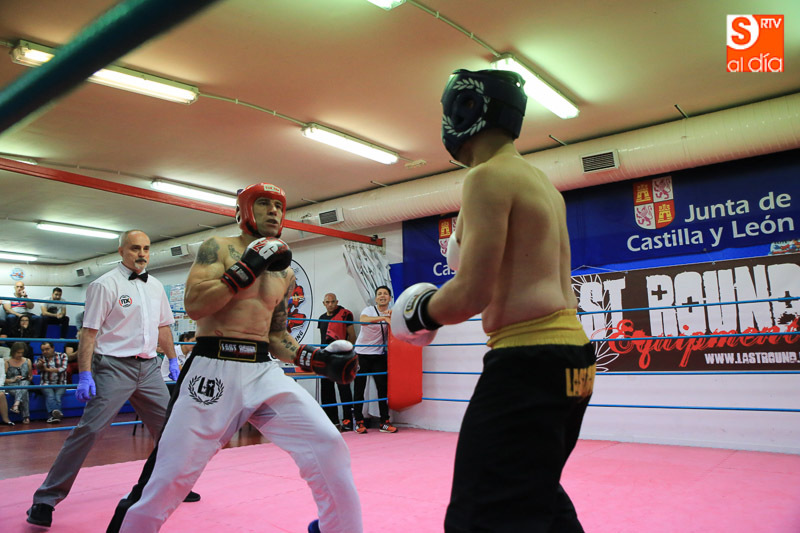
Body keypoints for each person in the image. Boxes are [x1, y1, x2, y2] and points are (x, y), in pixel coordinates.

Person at [392, 69, 596, 532]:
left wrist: (418, 314)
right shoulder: (542, 184)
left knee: (478, 514)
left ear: (464, 111)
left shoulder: (486, 177)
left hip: (528, 360)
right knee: (535, 494)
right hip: (574, 360)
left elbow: (471, 293)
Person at [107, 183, 362, 533]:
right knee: (170, 477)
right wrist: (245, 269)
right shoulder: (217, 247)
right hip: (213, 367)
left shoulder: (285, 272)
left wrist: (315, 359)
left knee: (328, 443)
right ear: (243, 211)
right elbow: (195, 306)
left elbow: (276, 336)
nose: (274, 211)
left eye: (279, 205)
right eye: (264, 203)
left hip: (262, 369)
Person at [26, 229, 196, 528]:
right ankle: (45, 499)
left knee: (170, 429)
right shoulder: (104, 285)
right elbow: (89, 333)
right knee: (89, 430)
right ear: (121, 251)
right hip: (114, 367)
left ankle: (173, 485)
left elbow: (164, 327)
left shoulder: (155, 285)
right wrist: (85, 373)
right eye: (135, 248)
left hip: (148, 368)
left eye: (146, 248)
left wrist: (172, 359)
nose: (141, 254)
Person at [352, 285, 397, 434]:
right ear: (376, 298)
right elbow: (363, 320)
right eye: (379, 294)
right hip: (362, 354)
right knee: (359, 388)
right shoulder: (369, 310)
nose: (382, 296)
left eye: (385, 294)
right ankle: (359, 422)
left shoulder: (392, 313)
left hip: (378, 355)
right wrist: (384, 317)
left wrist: (393, 316)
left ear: (389, 298)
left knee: (382, 389)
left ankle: (384, 422)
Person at [317, 293, 357, 431]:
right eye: (327, 302)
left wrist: (346, 352)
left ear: (337, 302)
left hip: (340, 357)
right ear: (324, 303)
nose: (330, 304)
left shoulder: (345, 315)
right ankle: (331, 420)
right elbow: (323, 339)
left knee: (344, 388)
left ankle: (347, 420)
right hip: (325, 357)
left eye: (333, 301)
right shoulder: (321, 318)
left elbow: (352, 336)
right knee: (326, 390)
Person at [35, 341, 68, 423]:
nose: (45, 352)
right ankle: (56, 416)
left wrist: (46, 369)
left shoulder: (63, 355)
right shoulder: (40, 358)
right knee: (50, 395)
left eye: (47, 349)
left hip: (60, 383)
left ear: (53, 348)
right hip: (46, 383)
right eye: (43, 350)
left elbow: (63, 368)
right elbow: (37, 367)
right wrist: (40, 365)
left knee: (57, 397)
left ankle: (52, 416)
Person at [5, 341, 33, 424]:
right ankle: (26, 416)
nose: (20, 355)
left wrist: (28, 377)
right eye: (18, 352)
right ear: (13, 352)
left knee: (24, 383)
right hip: (11, 384)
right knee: (24, 392)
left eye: (22, 353)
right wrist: (13, 379)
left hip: (24, 383)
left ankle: (16, 405)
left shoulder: (27, 361)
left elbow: (30, 377)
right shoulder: (7, 362)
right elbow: (3, 379)